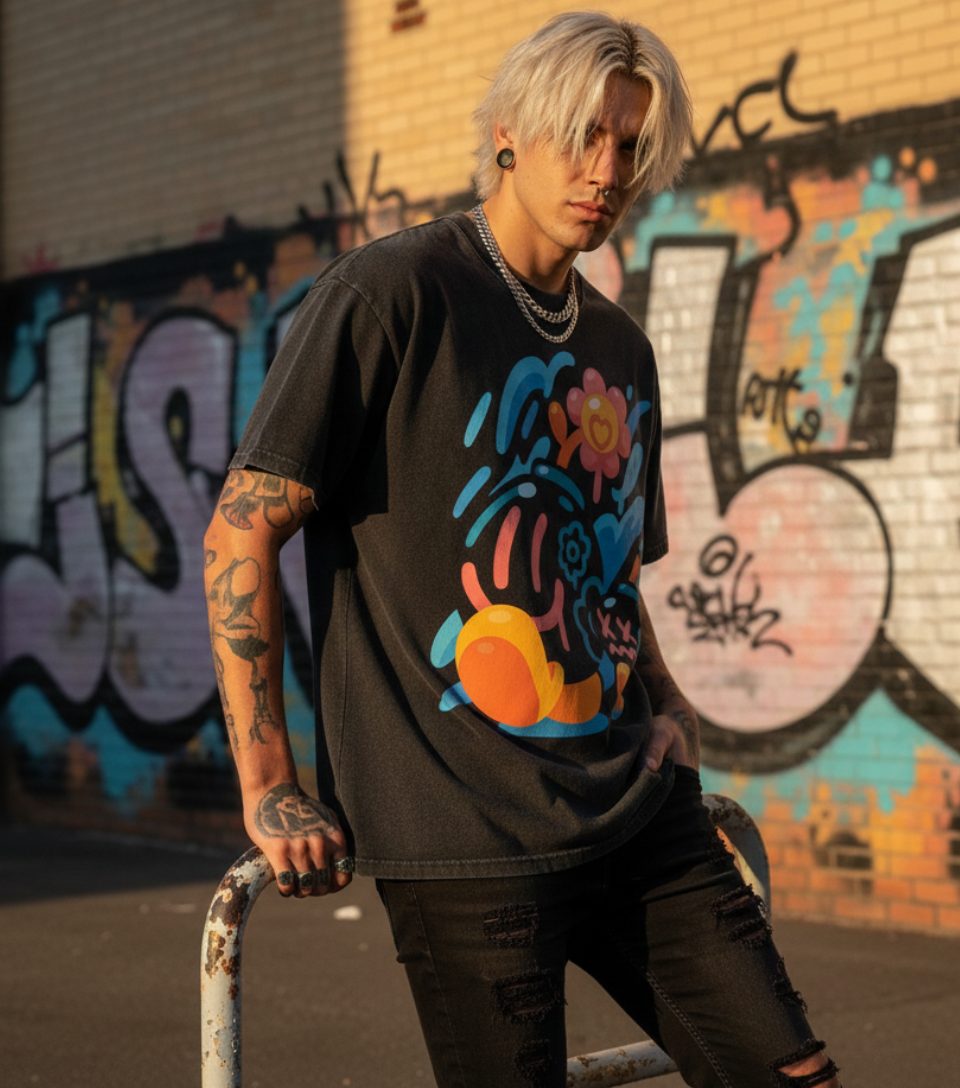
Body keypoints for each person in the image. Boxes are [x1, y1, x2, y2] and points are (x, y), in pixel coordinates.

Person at [204, 12, 840, 1088]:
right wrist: (269, 781)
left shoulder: (619, 347)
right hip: (463, 833)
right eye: (584, 133)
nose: (609, 170)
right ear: (508, 132)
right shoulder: (393, 293)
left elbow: (608, 572)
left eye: (630, 144)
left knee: (795, 1073)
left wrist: (669, 702)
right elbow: (241, 529)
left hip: (636, 810)